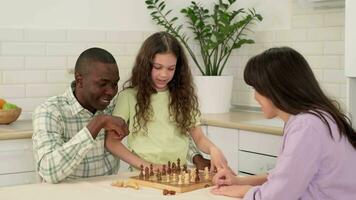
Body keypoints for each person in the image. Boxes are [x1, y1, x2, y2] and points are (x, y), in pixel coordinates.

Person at [211, 47, 356, 199]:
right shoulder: (313, 118)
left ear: (274, 88)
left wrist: (245, 191)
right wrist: (239, 181)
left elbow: (279, 195)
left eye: (256, 88)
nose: (255, 97)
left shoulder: (306, 126)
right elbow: (284, 176)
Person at [105, 32, 228, 171]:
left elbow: (198, 137)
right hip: (142, 174)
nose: (164, 74)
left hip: (178, 173)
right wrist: (148, 167)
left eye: (171, 69)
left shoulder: (183, 96)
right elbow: (111, 142)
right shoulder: (128, 97)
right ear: (145, 65)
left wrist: (213, 149)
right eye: (157, 67)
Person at [32, 47, 129, 183]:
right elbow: (49, 171)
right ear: (79, 80)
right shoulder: (50, 111)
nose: (111, 92)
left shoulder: (113, 108)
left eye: (115, 84)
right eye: (103, 84)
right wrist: (97, 123)